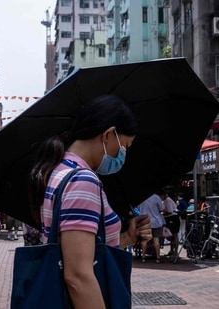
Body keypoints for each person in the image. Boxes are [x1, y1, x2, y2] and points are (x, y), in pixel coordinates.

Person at [29, 94, 152, 307]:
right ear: (108, 134)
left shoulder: (59, 170)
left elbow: (81, 251)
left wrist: (126, 238)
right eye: (124, 146)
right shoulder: (82, 180)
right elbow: (78, 276)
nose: (122, 155)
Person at [138, 193, 166, 263]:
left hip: (144, 221)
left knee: (144, 240)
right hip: (156, 221)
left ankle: (143, 257)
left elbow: (138, 208)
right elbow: (162, 208)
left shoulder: (141, 197)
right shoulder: (156, 197)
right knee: (156, 239)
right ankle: (158, 258)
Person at [159, 189, 179, 256]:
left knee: (174, 235)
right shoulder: (165, 201)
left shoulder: (167, 200)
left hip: (173, 218)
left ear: (164, 195)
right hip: (170, 218)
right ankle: (172, 250)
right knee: (171, 235)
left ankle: (175, 251)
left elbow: (170, 211)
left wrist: (163, 214)